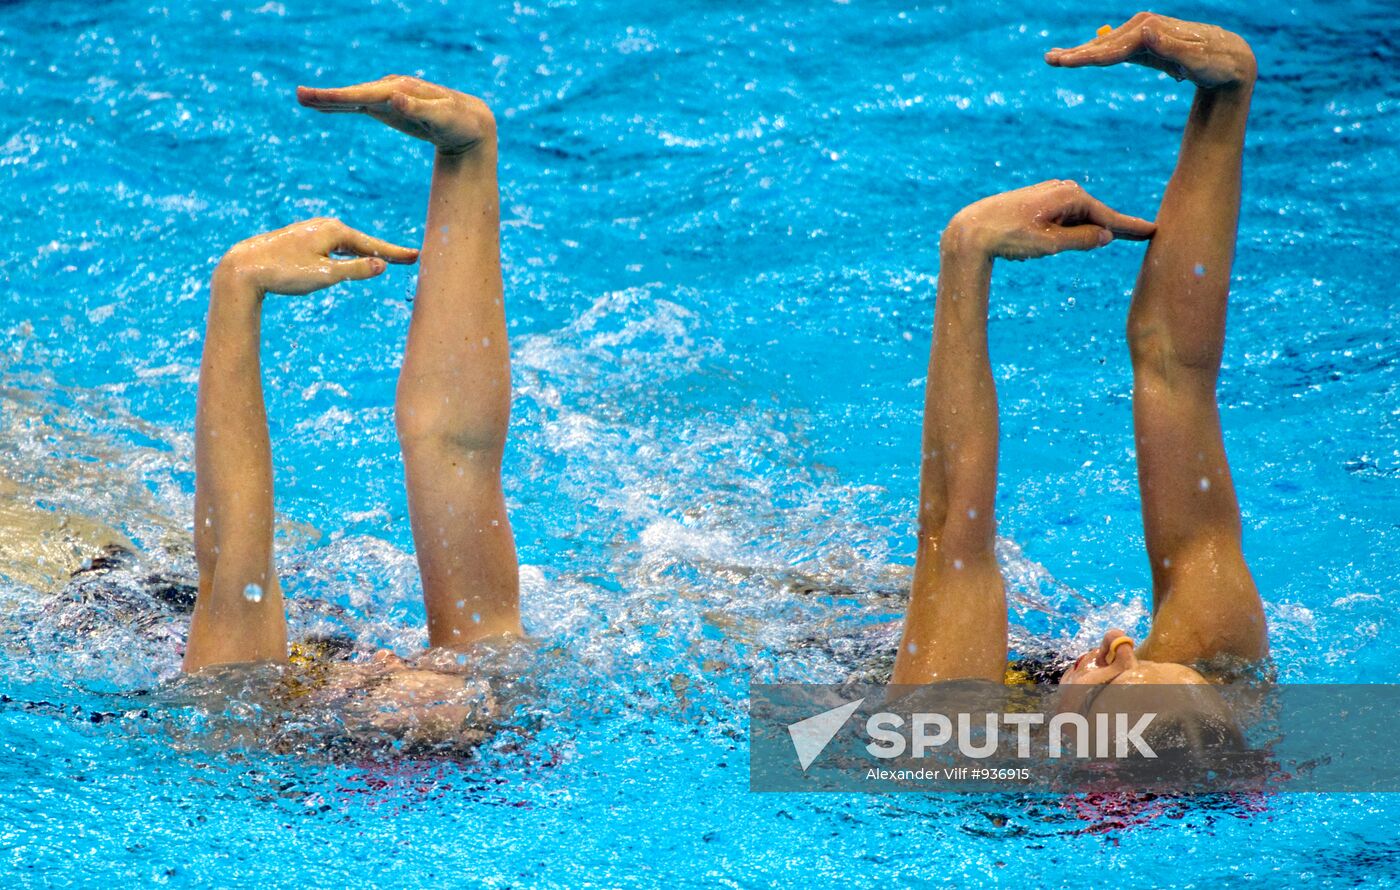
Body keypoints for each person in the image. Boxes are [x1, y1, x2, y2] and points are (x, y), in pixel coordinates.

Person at [892, 14, 1268, 690]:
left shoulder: (944, 740)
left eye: (1120, 681)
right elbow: (1174, 369)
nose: (1124, 644)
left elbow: (950, 531)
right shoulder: (1220, 668)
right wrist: (1228, 94)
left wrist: (968, 247)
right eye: (1149, 662)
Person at [180, 77, 527, 740]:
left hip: (98, 600)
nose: (398, 655)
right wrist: (468, 156)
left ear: (340, 707)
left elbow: (232, 556)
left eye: (387, 676)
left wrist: (239, 285)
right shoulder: (488, 684)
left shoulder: (245, 712)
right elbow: (453, 450)